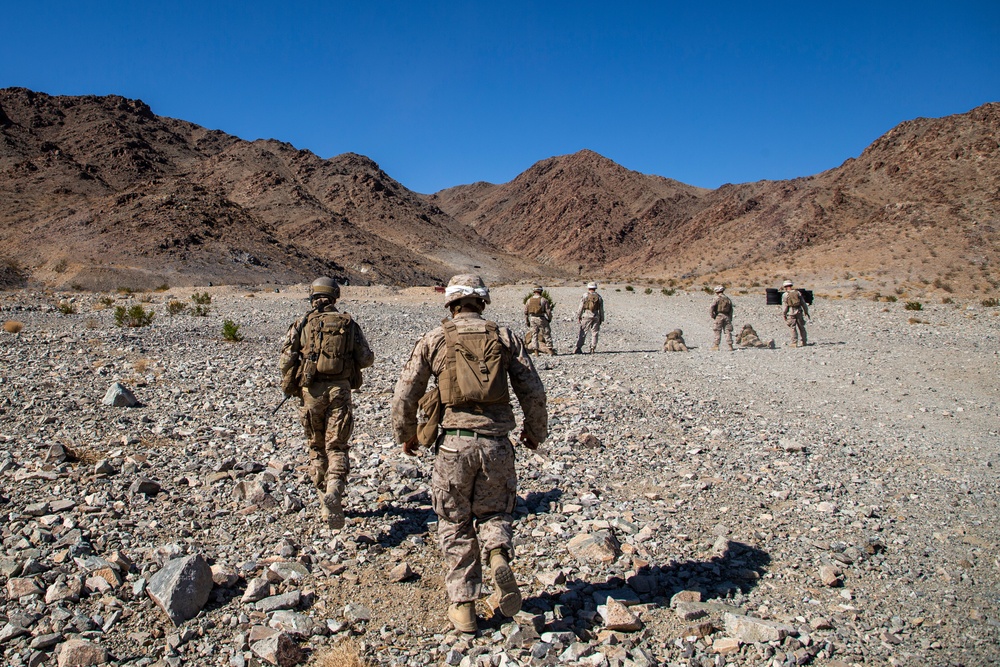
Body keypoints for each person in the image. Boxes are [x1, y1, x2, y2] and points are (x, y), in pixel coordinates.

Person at [391, 274, 548, 634]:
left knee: (454, 521)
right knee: (495, 510)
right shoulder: (506, 337)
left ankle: (463, 607)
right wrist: (534, 433)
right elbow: (533, 392)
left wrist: (408, 434)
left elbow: (404, 396)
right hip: (496, 445)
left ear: (450, 302)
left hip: (453, 446)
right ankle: (496, 555)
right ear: (483, 301)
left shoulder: (435, 339)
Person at [278, 277, 374, 529]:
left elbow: (285, 360)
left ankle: (324, 501)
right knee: (337, 446)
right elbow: (366, 359)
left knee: (316, 445)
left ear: (313, 296)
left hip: (311, 392)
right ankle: (335, 491)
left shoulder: (302, 323)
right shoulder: (348, 323)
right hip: (340, 391)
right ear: (335, 296)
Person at [524, 286, 556, 355]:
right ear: (541, 291)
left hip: (532, 318)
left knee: (534, 334)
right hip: (541, 318)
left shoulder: (529, 300)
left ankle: (535, 351)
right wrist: (549, 319)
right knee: (546, 333)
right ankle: (550, 349)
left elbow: (526, 312)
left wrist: (527, 321)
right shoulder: (544, 300)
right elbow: (548, 311)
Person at [574, 282, 605, 354]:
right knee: (595, 333)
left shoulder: (585, 296)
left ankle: (578, 348)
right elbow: (601, 309)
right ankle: (593, 348)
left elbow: (581, 307)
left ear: (588, 287)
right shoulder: (599, 297)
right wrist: (602, 318)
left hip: (587, 315)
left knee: (583, 332)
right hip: (596, 315)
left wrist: (579, 316)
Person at [781, 280, 810, 347]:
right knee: (801, 327)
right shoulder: (798, 293)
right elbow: (803, 303)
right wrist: (806, 311)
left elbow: (785, 306)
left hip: (791, 313)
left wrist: (784, 314)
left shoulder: (785, 295)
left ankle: (794, 343)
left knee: (792, 328)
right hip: (799, 311)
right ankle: (804, 341)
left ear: (785, 286)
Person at [709, 285, 734, 351]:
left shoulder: (717, 298)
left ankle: (716, 346)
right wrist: (730, 318)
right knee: (727, 331)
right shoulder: (727, 298)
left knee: (717, 331)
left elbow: (712, 307)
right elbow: (731, 309)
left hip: (719, 316)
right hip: (727, 316)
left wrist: (712, 315)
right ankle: (730, 346)